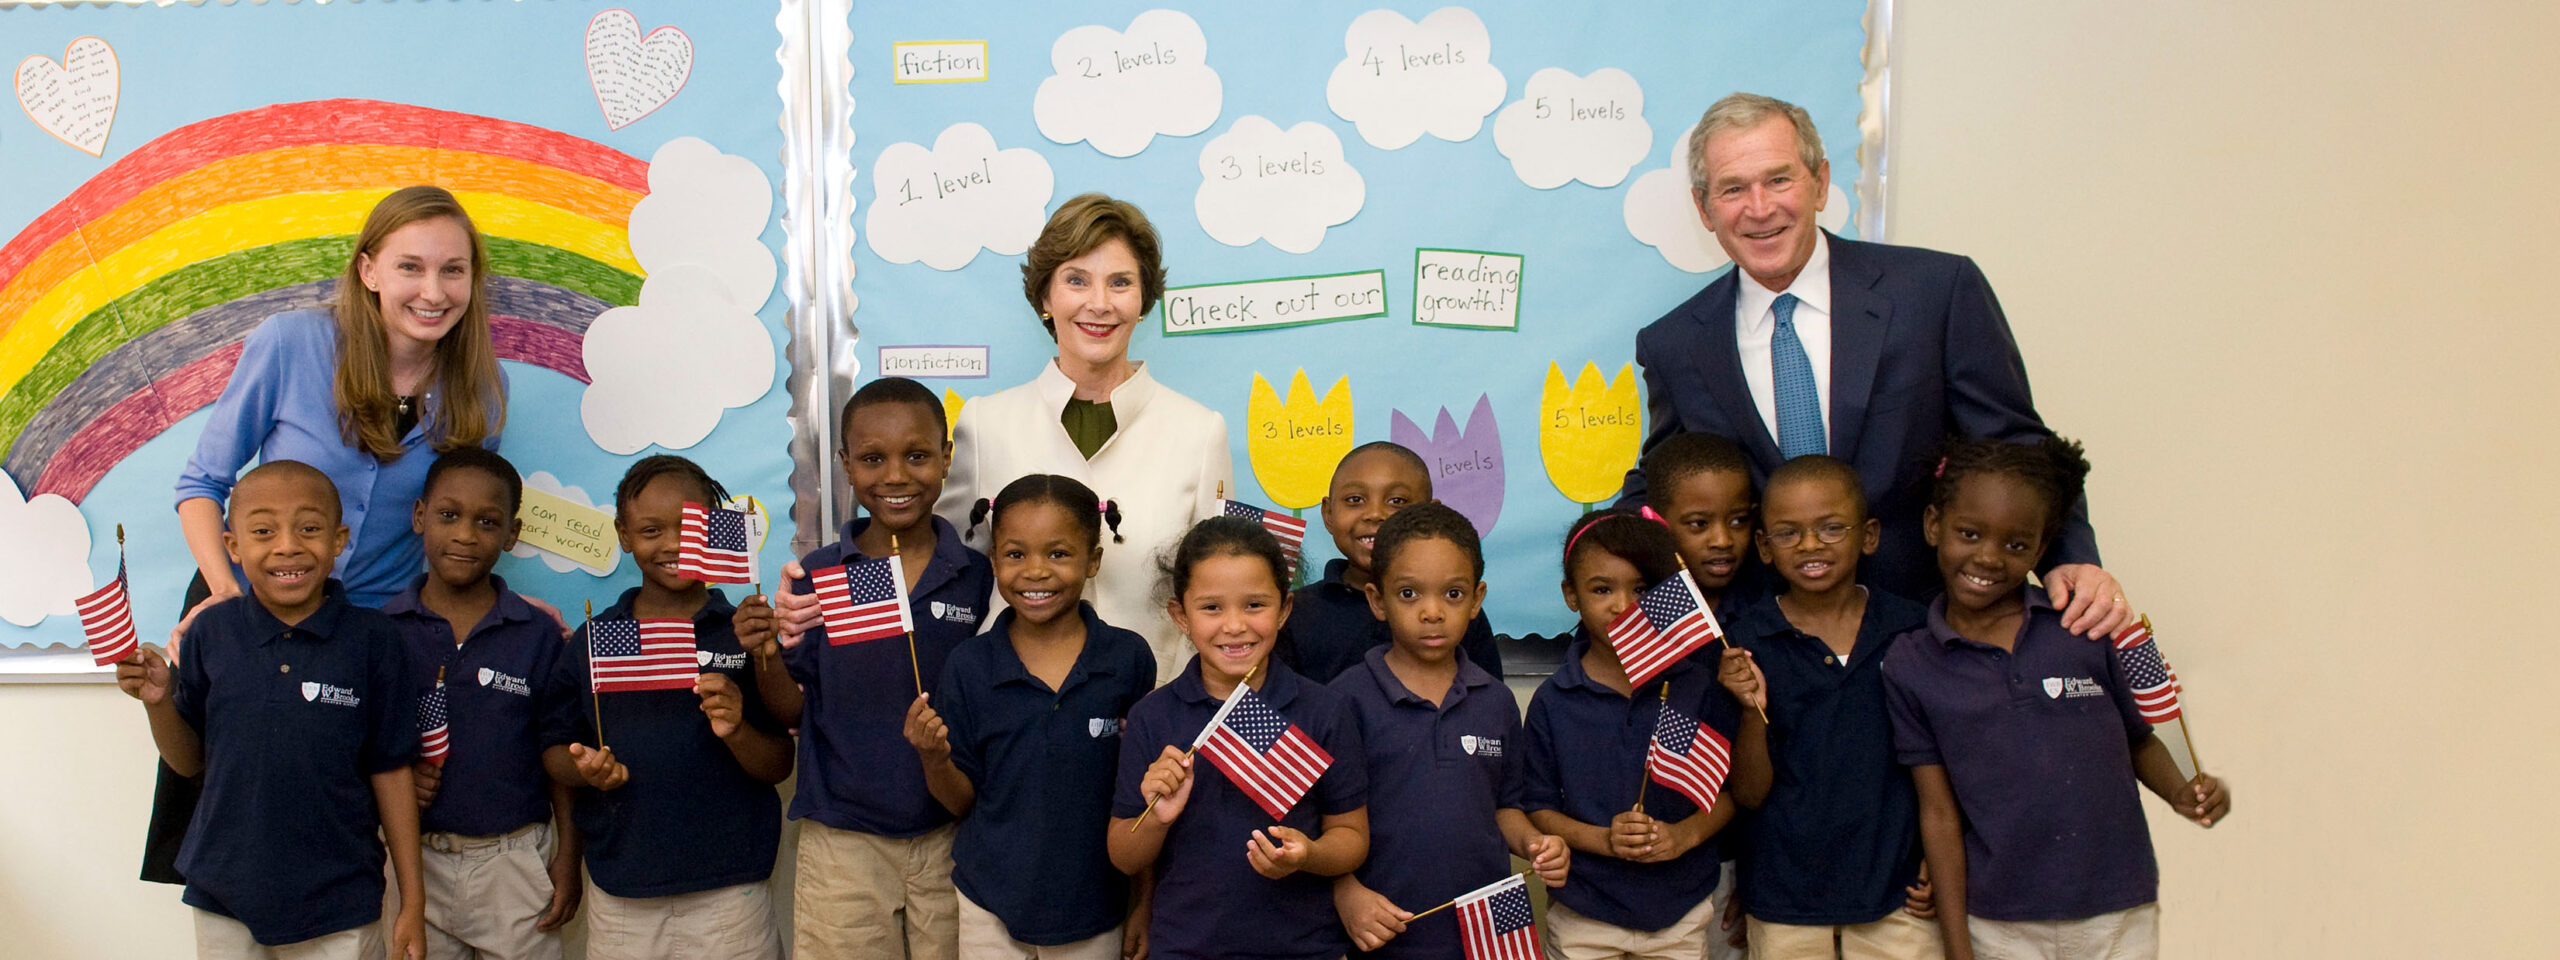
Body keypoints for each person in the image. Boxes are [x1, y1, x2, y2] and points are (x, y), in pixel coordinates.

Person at [1617, 93, 2130, 638]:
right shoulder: (1673, 343)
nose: (1760, 207)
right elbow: (1663, 482)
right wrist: (1604, 554)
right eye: (1733, 189)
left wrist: (2071, 557)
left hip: (1927, 628)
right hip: (1770, 647)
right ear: (1704, 208)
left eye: (1779, 180)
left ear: (1820, 183)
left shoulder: (1936, 293)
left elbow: (2015, 446)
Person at [150, 185, 512, 885]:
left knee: (346, 833)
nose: (433, 291)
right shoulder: (291, 343)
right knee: (232, 824)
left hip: (365, 637)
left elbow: (456, 527)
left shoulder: (483, 389)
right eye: (411, 267)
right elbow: (201, 486)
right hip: (251, 612)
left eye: (453, 270)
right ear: (369, 269)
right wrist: (226, 597)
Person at [1881, 438, 2230, 960]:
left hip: (2115, 907)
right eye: (1969, 534)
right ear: (1934, 525)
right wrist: (1957, 945)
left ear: (2042, 550)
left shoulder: (2082, 629)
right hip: (1998, 920)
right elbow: (1939, 815)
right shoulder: (1911, 664)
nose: (1988, 557)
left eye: (2016, 545)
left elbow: (2135, 740)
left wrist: (2182, 789)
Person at [116, 460, 426, 959]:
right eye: (263, 531)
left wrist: (412, 899)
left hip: (340, 898)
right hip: (224, 890)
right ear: (233, 546)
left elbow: (390, 770)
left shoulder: (374, 641)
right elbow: (189, 761)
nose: (287, 546)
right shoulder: (210, 633)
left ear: (339, 539)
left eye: (309, 528)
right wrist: (157, 704)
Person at [733, 378, 994, 960]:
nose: (896, 476)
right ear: (847, 465)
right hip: (842, 836)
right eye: (873, 459)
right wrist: (766, 653)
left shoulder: (979, 576)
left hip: (954, 832)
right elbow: (794, 710)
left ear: (947, 459)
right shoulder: (821, 575)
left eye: (918, 455)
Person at [935, 193, 1231, 678]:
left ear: (1143, 301)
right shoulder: (985, 423)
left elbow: (1220, 588)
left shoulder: (1199, 432)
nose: (1099, 303)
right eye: (1076, 280)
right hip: (1011, 714)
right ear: (1046, 298)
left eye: (1120, 283)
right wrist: (819, 597)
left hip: (1151, 716)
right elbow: (939, 570)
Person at [542, 457, 792, 960]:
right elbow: (552, 750)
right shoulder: (596, 641)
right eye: (652, 530)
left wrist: (737, 727)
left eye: (690, 526)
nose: (674, 545)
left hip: (731, 893)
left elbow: (779, 764)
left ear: (716, 528)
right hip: (622, 892)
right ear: (624, 534)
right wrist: (586, 769)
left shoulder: (743, 633)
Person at [905, 474, 1156, 959]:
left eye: (1058, 554)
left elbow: (1141, 799)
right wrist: (933, 758)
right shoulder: (970, 665)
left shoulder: (1127, 659)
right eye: (1015, 554)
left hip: (1096, 906)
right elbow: (961, 802)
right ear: (994, 560)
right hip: (988, 902)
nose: (1035, 572)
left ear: (1093, 561)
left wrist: (1144, 902)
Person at [1108, 516, 1369, 960]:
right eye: (1211, 607)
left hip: (1304, 948)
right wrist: (1157, 815)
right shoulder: (1153, 717)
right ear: (1180, 615)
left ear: (1284, 610)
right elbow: (1125, 857)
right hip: (1185, 947)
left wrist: (1307, 855)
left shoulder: (1326, 710)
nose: (1234, 626)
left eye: (1254, 605)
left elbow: (1351, 837)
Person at [1715, 456, 1938, 959]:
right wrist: (1752, 710)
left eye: (1832, 528)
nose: (1811, 545)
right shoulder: (1745, 642)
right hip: (1784, 896)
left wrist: (1941, 857)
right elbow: (1748, 794)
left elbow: (1948, 763)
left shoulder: (1913, 631)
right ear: (1765, 548)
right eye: (1789, 534)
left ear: (1870, 535)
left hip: (1899, 893)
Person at [1327, 503, 1568, 958]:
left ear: (1476, 600)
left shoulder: (1495, 701)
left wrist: (1535, 843)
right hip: (1387, 929)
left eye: (1452, 595)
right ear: (1378, 601)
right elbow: (1326, 822)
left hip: (1487, 931)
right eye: (1409, 594)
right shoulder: (1345, 700)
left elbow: (1504, 807)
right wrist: (1345, 891)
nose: (1432, 612)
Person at [386, 448, 582, 959]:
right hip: (413, 863)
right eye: (448, 516)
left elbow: (558, 751)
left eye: (487, 521)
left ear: (512, 534)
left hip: (515, 862)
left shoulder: (538, 635)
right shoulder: (381, 633)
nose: (466, 535)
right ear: (419, 515)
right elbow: (363, 749)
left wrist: (568, 853)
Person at [1522, 511, 1738, 959]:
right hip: (1586, 913)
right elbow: (1539, 807)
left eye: (1640, 589)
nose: (1623, 606)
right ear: (1571, 596)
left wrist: (1683, 836)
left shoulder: (1693, 684)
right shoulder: (1553, 700)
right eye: (1602, 589)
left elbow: (1728, 794)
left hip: (1679, 912)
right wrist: (1603, 840)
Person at [1637, 431, 1762, 959]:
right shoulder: (1648, 618)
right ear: (1660, 525)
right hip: (1663, 857)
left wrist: (1753, 880)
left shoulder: (1760, 617)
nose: (1722, 540)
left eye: (1737, 521)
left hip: (1741, 851)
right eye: (1698, 524)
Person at [1277, 441, 1503, 683]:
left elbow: (1486, 701)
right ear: (1328, 514)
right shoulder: (1297, 612)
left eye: (1397, 501)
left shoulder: (1451, 610)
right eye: (1355, 499)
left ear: (1429, 513)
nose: (1375, 514)